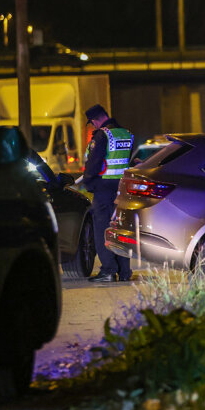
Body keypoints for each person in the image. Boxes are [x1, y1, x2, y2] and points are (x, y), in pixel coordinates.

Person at [81, 104, 134, 282]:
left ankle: (109, 270)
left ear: (95, 120)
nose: (93, 126)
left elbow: (94, 163)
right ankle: (124, 272)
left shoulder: (102, 135)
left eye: (92, 123)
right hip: (123, 189)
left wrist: (89, 183)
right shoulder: (127, 134)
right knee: (120, 229)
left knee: (103, 229)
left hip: (103, 190)